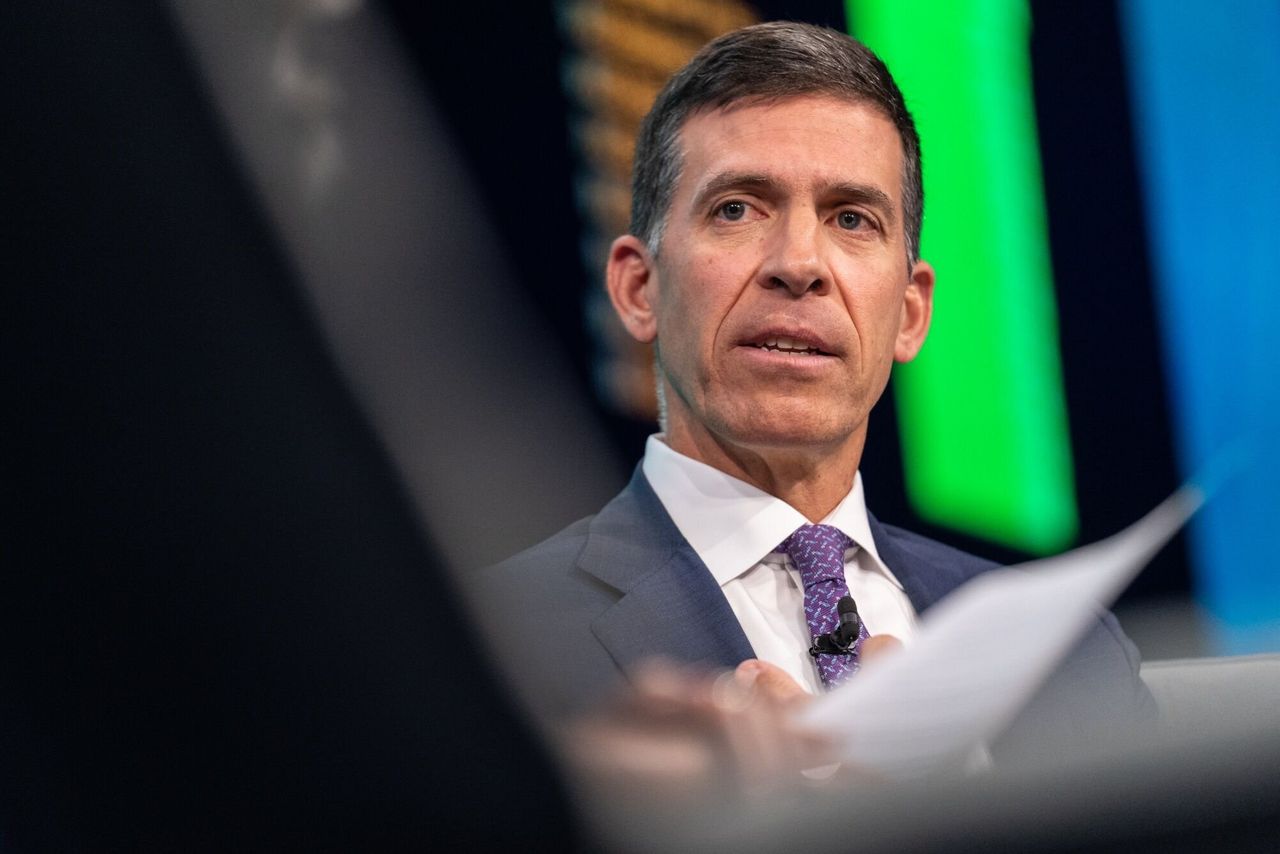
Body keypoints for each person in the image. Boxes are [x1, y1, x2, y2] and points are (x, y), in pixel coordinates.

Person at [475, 21, 1154, 770]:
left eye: (851, 218)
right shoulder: (492, 644)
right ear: (640, 289)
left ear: (910, 313)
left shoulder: (1069, 652)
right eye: (737, 208)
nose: (799, 264)